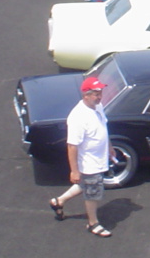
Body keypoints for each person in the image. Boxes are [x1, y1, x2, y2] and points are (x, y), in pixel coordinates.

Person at [48, 76, 115, 238]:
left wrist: (110, 146)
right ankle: (93, 223)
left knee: (86, 185)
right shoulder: (78, 117)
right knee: (92, 192)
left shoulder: (97, 107)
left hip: (99, 159)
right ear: (86, 95)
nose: (100, 96)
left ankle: (59, 201)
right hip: (89, 163)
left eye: (100, 92)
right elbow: (72, 145)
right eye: (96, 93)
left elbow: (103, 127)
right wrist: (74, 171)